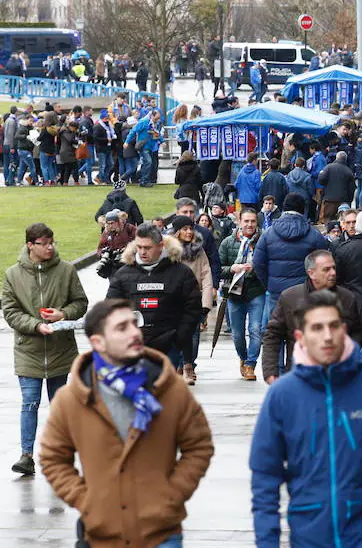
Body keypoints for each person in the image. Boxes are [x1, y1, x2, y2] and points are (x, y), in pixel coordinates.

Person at [249, 290, 362, 547]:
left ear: (343, 329)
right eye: (317, 328)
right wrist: (267, 540)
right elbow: (264, 475)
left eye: (334, 326)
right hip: (310, 534)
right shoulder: (283, 395)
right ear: (300, 337)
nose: (327, 336)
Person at [39, 299, 214, 548]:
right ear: (98, 342)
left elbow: (199, 446)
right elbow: (52, 458)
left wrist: (172, 495)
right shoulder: (72, 398)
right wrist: (87, 501)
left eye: (134, 324)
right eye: (122, 328)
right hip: (102, 535)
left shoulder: (169, 386)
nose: (134, 332)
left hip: (162, 534)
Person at [2, 223, 88, 476]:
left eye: (52, 242)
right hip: (28, 349)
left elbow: (80, 303)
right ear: (31, 245)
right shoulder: (12, 274)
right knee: (29, 403)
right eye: (44, 243)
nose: (50, 247)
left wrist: (63, 314)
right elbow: (10, 312)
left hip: (61, 350)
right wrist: (36, 325)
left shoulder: (67, 270)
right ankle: (26, 456)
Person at [107, 223, 203, 373]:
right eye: (139, 247)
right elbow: (111, 308)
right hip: (133, 344)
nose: (143, 252)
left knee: (162, 392)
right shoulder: (123, 274)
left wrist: (179, 337)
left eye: (148, 248)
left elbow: (193, 307)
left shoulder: (181, 273)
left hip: (168, 344)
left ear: (160, 245)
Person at [261, 249, 362, 382]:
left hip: (339, 374)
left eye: (333, 268)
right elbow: (272, 335)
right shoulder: (290, 297)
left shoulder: (347, 298)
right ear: (311, 273)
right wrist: (270, 372)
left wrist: (349, 359)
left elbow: (356, 333)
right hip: (299, 374)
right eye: (326, 270)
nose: (333, 273)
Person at [253, 192, 331, 324]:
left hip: (276, 291)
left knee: (275, 332)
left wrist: (269, 284)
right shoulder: (314, 235)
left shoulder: (268, 234)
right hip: (305, 292)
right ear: (303, 209)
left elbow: (258, 262)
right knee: (300, 333)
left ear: (284, 208)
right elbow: (323, 264)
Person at [219, 208, 266, 381]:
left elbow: (269, 265)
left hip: (256, 291)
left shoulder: (263, 241)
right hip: (235, 293)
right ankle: (243, 357)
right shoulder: (227, 243)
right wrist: (232, 269)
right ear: (239, 222)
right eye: (246, 221)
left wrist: (257, 268)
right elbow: (218, 268)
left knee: (255, 330)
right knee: (237, 334)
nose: (250, 224)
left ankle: (250, 364)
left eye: (253, 221)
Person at [169, 215, 213, 384]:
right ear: (177, 231)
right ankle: (179, 366)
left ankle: (188, 367)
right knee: (175, 335)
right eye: (185, 229)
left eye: (190, 229)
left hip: (193, 299)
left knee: (192, 335)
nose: (189, 232)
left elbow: (206, 275)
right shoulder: (168, 250)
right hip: (173, 300)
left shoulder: (198, 250)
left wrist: (206, 304)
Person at [96, 209, 137, 279]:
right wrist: (103, 254)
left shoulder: (129, 229)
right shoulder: (106, 233)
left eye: (112, 223)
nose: (110, 226)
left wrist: (127, 250)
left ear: (118, 222)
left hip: (128, 264)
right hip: (112, 267)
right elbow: (100, 247)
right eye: (108, 223)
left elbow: (140, 242)